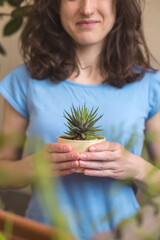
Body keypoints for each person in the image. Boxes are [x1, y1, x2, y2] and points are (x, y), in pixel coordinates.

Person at [0, 0, 160, 239]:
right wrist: (36, 166)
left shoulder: (150, 85)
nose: (87, 8)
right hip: (42, 233)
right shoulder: (24, 80)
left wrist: (133, 166)